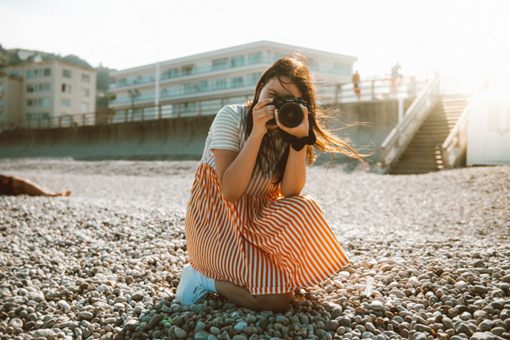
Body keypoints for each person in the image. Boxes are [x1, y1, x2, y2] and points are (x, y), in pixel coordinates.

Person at [175, 54, 365, 312]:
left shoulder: (288, 130)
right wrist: (258, 131)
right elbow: (230, 192)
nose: (278, 106)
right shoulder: (231, 117)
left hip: (257, 224)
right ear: (260, 86)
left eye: (288, 101)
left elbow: (291, 192)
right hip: (216, 225)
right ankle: (202, 278)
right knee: (275, 301)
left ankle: (264, 274)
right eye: (273, 95)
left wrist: (298, 140)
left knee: (305, 206)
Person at [0, 174, 71, 197]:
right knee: (23, 184)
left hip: (7, 185)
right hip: (7, 185)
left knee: (22, 187)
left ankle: (51, 194)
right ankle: (52, 194)